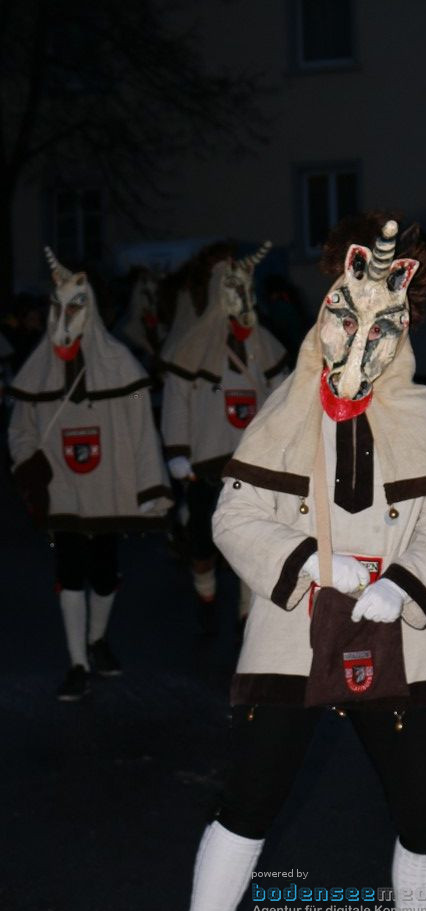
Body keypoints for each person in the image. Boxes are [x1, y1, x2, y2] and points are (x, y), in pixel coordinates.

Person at [187, 215, 426, 911]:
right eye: (345, 319)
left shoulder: (421, 410)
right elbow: (233, 515)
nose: (356, 340)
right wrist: (316, 563)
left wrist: (403, 586)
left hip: (398, 639)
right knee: (248, 804)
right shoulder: (285, 409)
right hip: (293, 630)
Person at [8, 249, 173, 700]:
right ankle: (76, 662)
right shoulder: (36, 368)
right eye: (59, 306)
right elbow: (20, 427)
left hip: (107, 487)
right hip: (61, 488)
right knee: (70, 570)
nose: (67, 315)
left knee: (103, 572)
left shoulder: (122, 364)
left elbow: (142, 430)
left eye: (77, 305)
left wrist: (150, 485)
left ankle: (97, 641)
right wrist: (28, 464)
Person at [160, 242, 288, 633]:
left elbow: (285, 397)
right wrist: (177, 451)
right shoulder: (192, 347)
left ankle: (247, 616)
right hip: (207, 462)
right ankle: (206, 592)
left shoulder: (266, 344)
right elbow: (177, 400)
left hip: (254, 463)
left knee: (254, 542)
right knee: (204, 544)